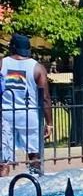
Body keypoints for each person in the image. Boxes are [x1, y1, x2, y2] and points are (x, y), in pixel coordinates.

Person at [0, 34, 52, 177]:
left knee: (3, 160)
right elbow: (45, 97)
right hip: (29, 116)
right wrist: (49, 123)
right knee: (34, 155)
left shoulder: (2, 63)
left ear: (12, 47)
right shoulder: (37, 68)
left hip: (5, 115)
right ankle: (34, 186)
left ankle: (3, 193)